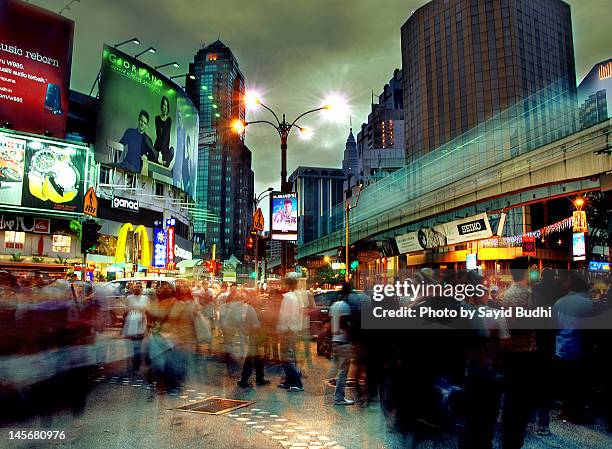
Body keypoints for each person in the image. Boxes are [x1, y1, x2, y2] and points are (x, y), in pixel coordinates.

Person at [499, 257, 537, 449]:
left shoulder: (522, 293)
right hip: (520, 353)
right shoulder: (518, 295)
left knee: (517, 400)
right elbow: (518, 325)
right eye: (532, 269)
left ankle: (514, 438)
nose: (534, 272)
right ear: (525, 272)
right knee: (517, 401)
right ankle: (512, 440)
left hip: (522, 352)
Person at [238, 290, 270, 388]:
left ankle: (259, 377)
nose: (258, 298)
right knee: (251, 357)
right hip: (254, 335)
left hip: (255, 335)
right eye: (255, 296)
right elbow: (254, 324)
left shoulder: (251, 307)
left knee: (258, 357)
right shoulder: (250, 308)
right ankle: (244, 380)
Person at [328, 282, 354, 405]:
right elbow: (344, 323)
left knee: (337, 368)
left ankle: (337, 396)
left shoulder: (334, 305)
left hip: (335, 340)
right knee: (343, 371)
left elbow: (330, 323)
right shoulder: (345, 306)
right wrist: (352, 338)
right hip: (343, 341)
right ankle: (339, 397)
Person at [277, 276, 303, 392]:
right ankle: (288, 381)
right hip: (293, 330)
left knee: (287, 358)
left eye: (283, 284)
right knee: (288, 357)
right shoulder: (295, 297)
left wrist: (281, 330)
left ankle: (297, 382)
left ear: (287, 285)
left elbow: (284, 316)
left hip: (287, 330)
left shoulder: (288, 297)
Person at [122, 283, 149, 374]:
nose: (137, 288)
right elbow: (125, 310)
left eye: (139, 287)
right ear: (132, 289)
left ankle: (136, 367)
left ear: (142, 289)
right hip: (131, 324)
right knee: (131, 347)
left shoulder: (145, 298)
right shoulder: (129, 298)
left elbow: (148, 310)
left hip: (141, 323)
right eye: (135, 287)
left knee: (138, 346)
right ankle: (131, 366)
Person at [154, 96, 173, 167]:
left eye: (167, 106)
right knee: (151, 151)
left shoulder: (169, 120)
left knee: (172, 150)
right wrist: (159, 152)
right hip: (158, 146)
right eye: (164, 105)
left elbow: (166, 136)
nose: (165, 108)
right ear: (161, 106)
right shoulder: (157, 118)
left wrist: (163, 153)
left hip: (165, 149)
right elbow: (158, 134)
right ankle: (160, 160)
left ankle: (164, 161)